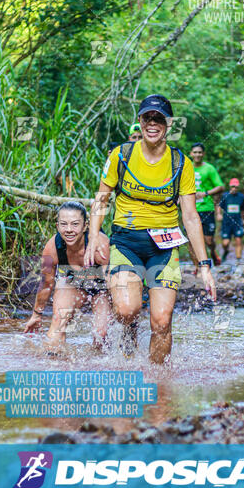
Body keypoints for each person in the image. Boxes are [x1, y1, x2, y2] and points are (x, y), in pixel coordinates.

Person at [85, 94, 216, 364]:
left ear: (168, 124)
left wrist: (204, 266)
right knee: (126, 309)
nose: (152, 123)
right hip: (126, 242)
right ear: (140, 121)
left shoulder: (182, 164)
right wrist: (93, 237)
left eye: (159, 118)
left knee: (161, 321)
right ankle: (129, 327)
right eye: (147, 118)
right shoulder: (121, 155)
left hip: (165, 248)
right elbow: (101, 200)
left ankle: (158, 384)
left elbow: (190, 217)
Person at [23, 201, 111, 350]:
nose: (69, 230)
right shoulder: (52, 247)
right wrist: (36, 315)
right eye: (64, 224)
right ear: (57, 226)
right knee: (58, 323)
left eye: (75, 224)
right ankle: (53, 362)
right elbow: (46, 284)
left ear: (85, 226)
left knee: (101, 335)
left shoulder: (100, 245)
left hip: (101, 287)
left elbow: (112, 283)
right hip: (73, 282)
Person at [189, 142, 224, 266]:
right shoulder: (187, 168)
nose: (197, 154)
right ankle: (198, 268)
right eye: (195, 152)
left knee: (208, 241)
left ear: (203, 154)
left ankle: (213, 252)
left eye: (200, 152)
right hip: (191, 209)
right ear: (191, 154)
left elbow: (220, 186)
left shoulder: (209, 168)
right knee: (191, 240)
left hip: (207, 208)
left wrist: (206, 193)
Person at [216, 178, 244, 262]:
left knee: (238, 240)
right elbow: (219, 206)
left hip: (237, 222)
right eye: (233, 186)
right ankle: (226, 251)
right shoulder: (225, 196)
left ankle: (238, 259)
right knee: (225, 243)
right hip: (226, 223)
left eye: (236, 187)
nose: (234, 188)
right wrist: (218, 214)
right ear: (230, 186)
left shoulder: (241, 197)